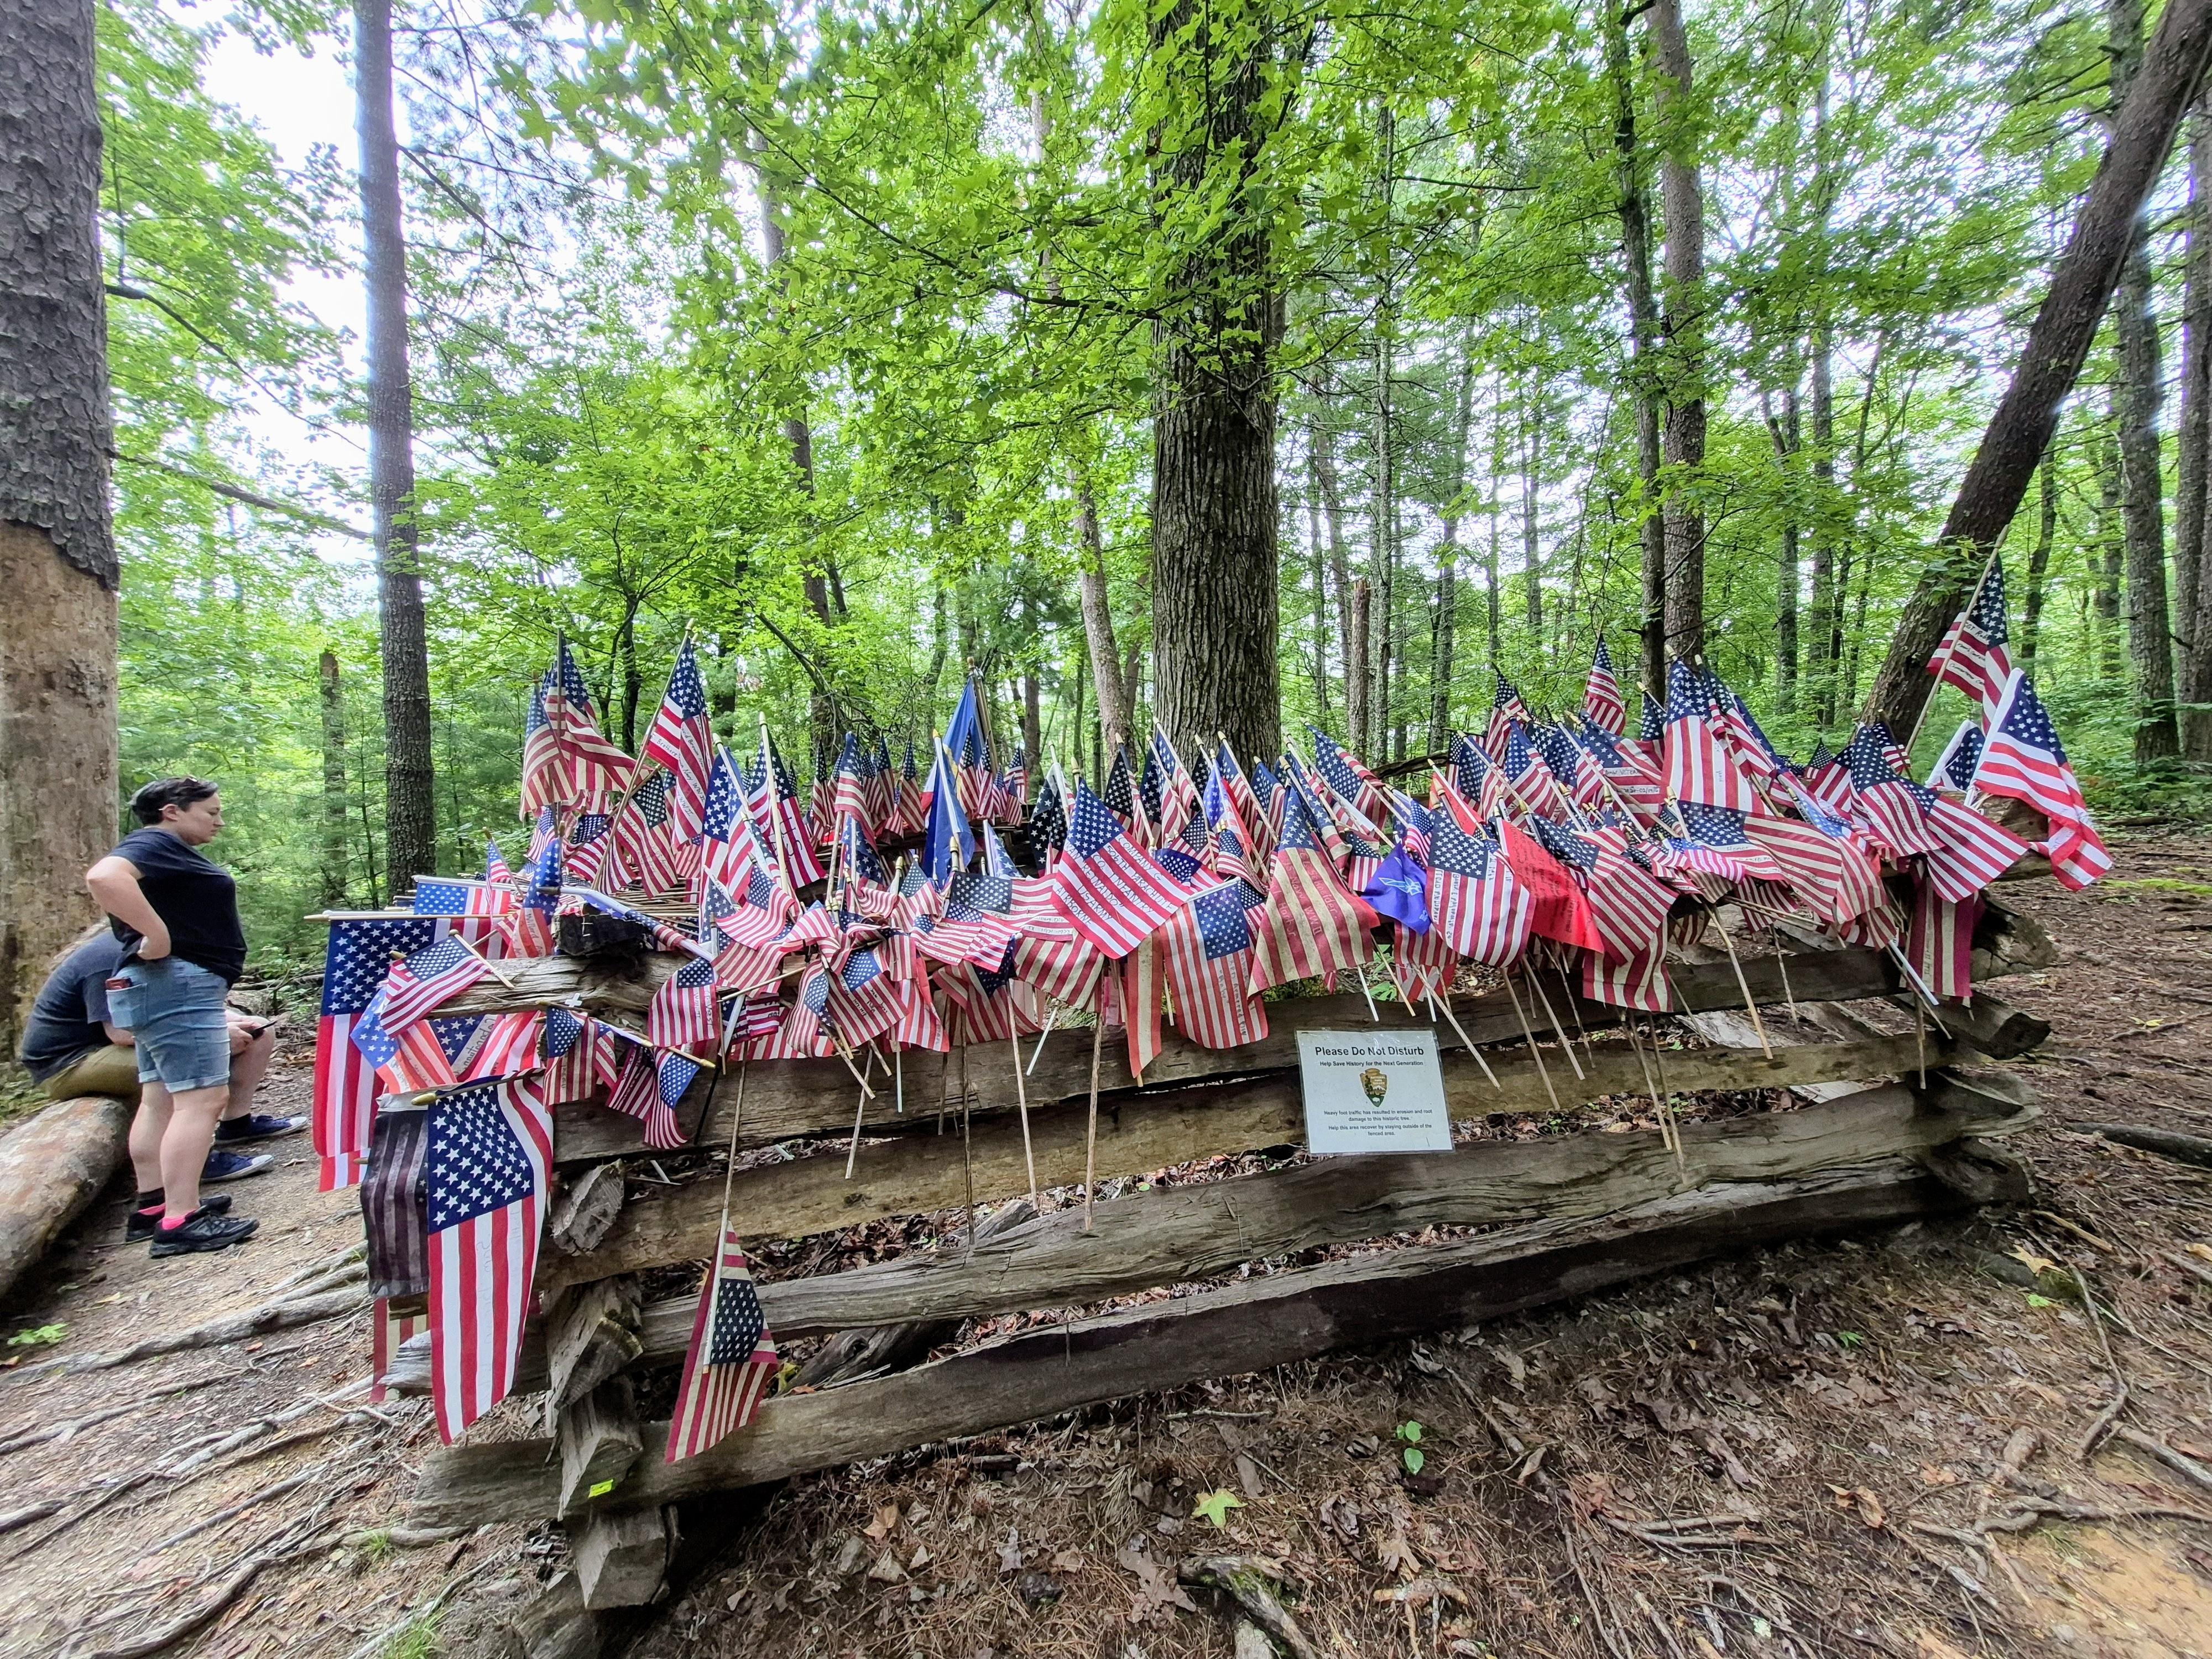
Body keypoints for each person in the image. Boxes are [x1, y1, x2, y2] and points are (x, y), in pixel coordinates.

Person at [86, 778, 264, 1258]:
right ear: (171, 812)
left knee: (160, 1097)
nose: (219, 821)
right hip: (174, 986)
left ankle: (152, 1205)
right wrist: (156, 935)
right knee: (204, 1099)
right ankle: (181, 1218)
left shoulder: (164, 850)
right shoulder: (154, 843)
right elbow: (104, 877)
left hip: (154, 990)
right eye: (210, 812)